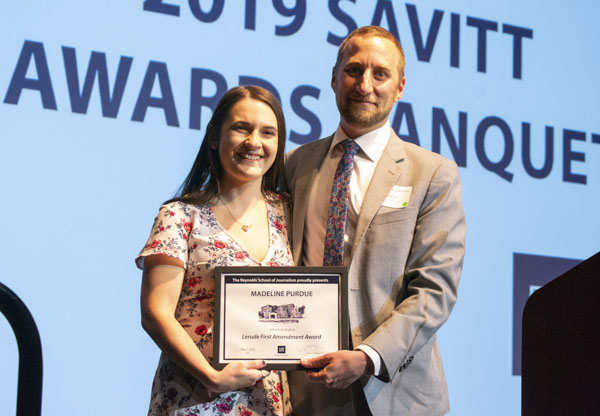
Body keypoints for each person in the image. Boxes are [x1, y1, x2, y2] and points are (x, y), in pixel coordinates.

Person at [283, 26, 466, 415]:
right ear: (334, 79)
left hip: (395, 393)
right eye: (353, 70)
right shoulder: (294, 165)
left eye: (380, 74)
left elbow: (435, 289)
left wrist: (367, 356)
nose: (364, 84)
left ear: (399, 87)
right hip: (306, 391)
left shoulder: (432, 174)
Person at [136, 85, 293, 416]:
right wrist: (214, 377)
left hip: (269, 402)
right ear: (213, 137)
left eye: (268, 132)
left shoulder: (289, 214)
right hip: (197, 399)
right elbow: (155, 313)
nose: (254, 142)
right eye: (241, 128)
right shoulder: (180, 215)